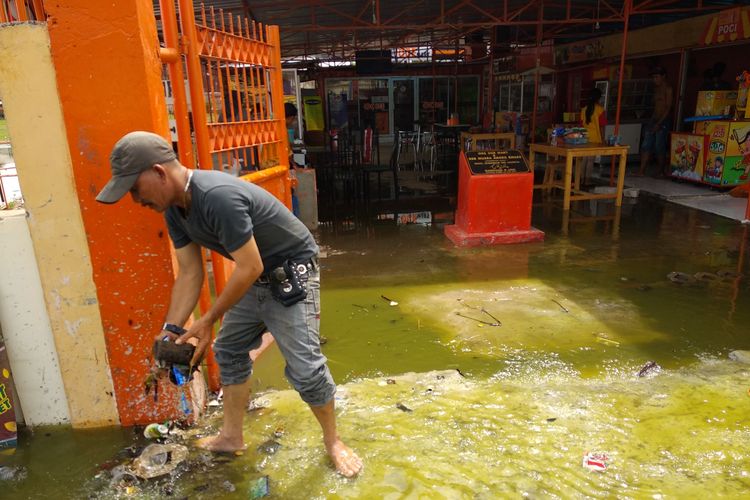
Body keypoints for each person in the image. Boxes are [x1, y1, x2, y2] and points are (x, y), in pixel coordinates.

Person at [95, 131, 363, 478]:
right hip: (256, 278)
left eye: (134, 188)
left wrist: (207, 320)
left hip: (290, 275)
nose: (135, 199)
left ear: (159, 172)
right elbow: (190, 273)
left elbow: (249, 265)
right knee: (230, 350)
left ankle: (333, 442)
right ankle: (231, 436)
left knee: (306, 369)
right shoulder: (175, 209)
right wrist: (170, 331)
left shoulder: (216, 196)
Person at [639, 66, 673, 177]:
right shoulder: (656, 89)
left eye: (657, 77)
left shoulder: (668, 89)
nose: (655, 79)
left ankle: (660, 171)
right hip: (654, 119)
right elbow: (655, 106)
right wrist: (653, 121)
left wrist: (659, 123)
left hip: (663, 120)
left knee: (659, 146)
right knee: (646, 145)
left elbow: (668, 108)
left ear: (663, 76)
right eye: (653, 77)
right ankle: (641, 171)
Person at [580, 87, 607, 185]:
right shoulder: (600, 110)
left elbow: (581, 125)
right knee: (591, 160)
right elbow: (602, 126)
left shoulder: (584, 109)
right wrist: (603, 139)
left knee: (584, 159)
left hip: (585, 137)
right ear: (598, 98)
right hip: (595, 137)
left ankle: (581, 179)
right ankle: (587, 181)